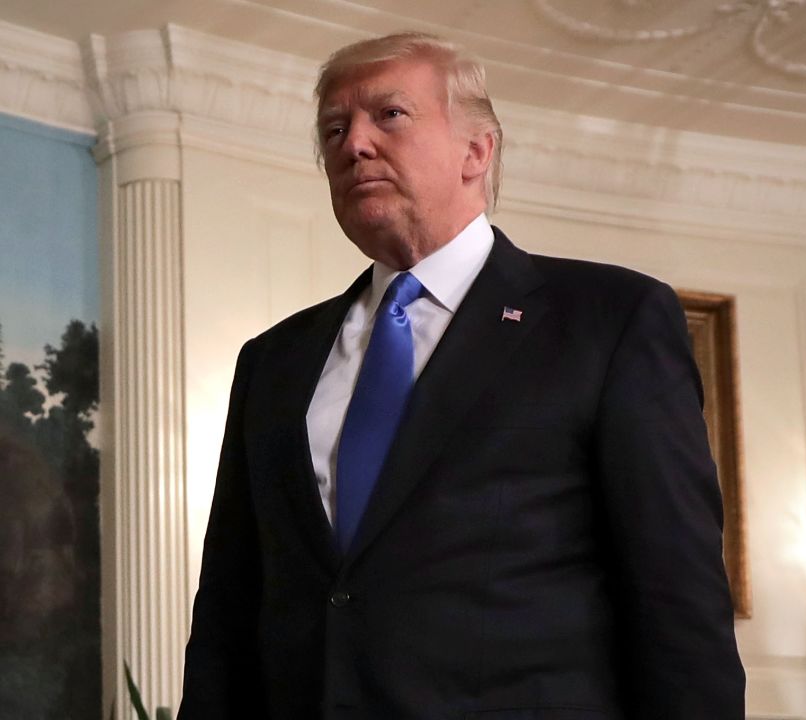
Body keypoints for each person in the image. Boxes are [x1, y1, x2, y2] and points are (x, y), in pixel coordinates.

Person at [178, 31, 745, 719]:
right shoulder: (272, 361)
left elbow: (677, 601)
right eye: (334, 127)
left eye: (389, 115)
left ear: (478, 151)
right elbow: (229, 612)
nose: (353, 144)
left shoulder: (609, 321)